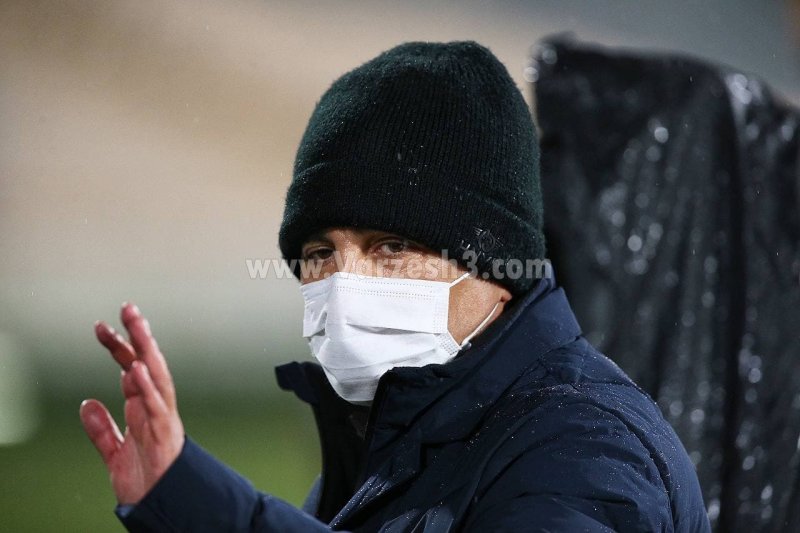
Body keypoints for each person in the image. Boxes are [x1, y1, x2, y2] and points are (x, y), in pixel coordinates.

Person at [80, 40, 712, 532]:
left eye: (392, 246)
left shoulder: (583, 449)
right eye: (320, 254)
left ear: (495, 264)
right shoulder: (396, 438)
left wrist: (200, 506)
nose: (344, 283)